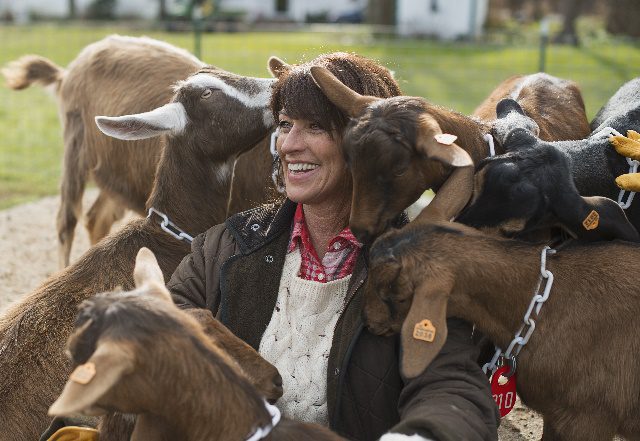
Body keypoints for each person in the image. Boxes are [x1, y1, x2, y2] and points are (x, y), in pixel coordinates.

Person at [168, 52, 500, 441]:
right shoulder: (224, 246)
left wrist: (418, 436)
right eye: (285, 124)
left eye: (315, 127)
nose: (288, 145)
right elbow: (166, 317)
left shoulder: (421, 270)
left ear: (366, 145)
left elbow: (453, 388)